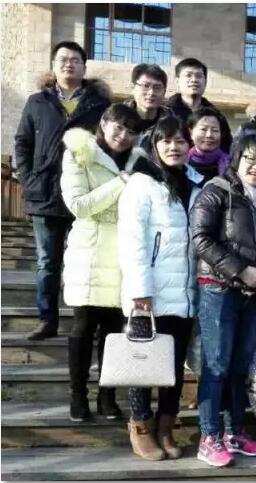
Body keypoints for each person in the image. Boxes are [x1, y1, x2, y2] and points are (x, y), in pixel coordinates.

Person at [190, 133, 256, 468]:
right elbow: (201, 239)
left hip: (254, 295)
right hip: (219, 288)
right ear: (237, 159)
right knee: (216, 365)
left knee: (241, 365)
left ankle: (235, 432)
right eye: (251, 159)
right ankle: (208, 437)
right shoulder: (216, 191)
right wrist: (241, 270)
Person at [14, 40, 111, 341]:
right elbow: (23, 143)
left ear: (84, 67)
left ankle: (92, 323)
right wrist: (29, 179)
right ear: (54, 66)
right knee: (47, 262)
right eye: (63, 60)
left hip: (86, 193)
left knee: (91, 259)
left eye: (75, 60)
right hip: (46, 194)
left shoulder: (99, 104)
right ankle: (47, 319)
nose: (69, 64)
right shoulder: (37, 102)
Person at [118, 116, 202, 461]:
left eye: (180, 141)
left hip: (183, 293)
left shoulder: (194, 183)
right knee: (143, 364)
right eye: (166, 141)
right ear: (154, 146)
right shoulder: (142, 183)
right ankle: (140, 425)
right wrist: (140, 291)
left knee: (173, 365)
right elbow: (132, 240)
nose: (174, 147)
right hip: (149, 294)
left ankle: (166, 425)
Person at [60, 104, 145, 422]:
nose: (123, 136)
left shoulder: (138, 160)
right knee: (83, 327)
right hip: (90, 249)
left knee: (113, 330)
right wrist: (121, 182)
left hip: (124, 251)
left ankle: (107, 396)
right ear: (104, 123)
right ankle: (77, 395)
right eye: (118, 127)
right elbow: (79, 205)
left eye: (131, 131)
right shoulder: (79, 153)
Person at [166, 57, 232, 153]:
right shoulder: (166, 112)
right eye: (188, 75)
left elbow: (227, 147)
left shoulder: (216, 115)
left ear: (205, 82)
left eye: (199, 76)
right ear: (177, 81)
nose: (194, 80)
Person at [125, 63, 174, 153]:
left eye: (157, 87)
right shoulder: (117, 118)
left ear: (164, 92)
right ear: (133, 88)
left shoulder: (173, 123)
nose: (151, 92)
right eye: (146, 86)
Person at [186, 107, 231, 183]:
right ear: (191, 133)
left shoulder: (231, 165)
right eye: (203, 129)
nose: (209, 135)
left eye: (215, 130)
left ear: (221, 134)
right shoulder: (181, 163)